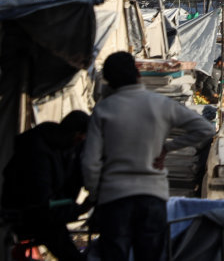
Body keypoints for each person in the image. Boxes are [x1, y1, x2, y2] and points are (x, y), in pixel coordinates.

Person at [82, 52, 215, 261]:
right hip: (152, 196)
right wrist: (168, 147)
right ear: (137, 74)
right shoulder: (160, 104)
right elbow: (205, 129)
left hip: (114, 198)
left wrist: (94, 193)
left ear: (109, 80)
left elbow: (90, 163)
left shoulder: (104, 110)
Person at [1, 111, 91, 261]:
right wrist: (79, 209)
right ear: (77, 135)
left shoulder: (60, 148)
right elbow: (44, 206)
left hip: (42, 213)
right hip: (28, 216)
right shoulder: (38, 152)